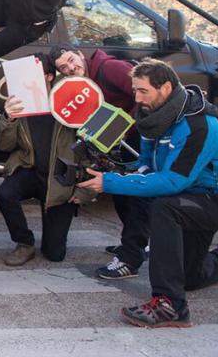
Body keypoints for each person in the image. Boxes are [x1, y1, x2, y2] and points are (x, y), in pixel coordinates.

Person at [78, 59, 218, 328]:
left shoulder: (200, 125)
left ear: (165, 88)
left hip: (208, 197)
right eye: (135, 90)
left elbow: (172, 181)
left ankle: (170, 306)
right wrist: (114, 169)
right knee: (190, 278)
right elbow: (146, 167)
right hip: (193, 197)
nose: (137, 97)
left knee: (164, 207)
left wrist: (109, 183)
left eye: (143, 91)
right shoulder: (153, 118)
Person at [49, 44, 150, 281]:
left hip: (138, 138)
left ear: (80, 55)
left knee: (136, 198)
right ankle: (136, 245)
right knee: (122, 197)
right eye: (64, 68)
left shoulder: (109, 68)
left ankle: (132, 254)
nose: (71, 68)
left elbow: (144, 92)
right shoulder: (82, 85)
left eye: (72, 60)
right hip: (117, 144)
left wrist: (127, 126)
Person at [0, 54, 94, 266]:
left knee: (54, 253)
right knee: (5, 194)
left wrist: (84, 190)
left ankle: (51, 217)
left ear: (49, 76)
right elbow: (4, 146)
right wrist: (9, 119)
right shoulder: (20, 103)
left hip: (60, 178)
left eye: (32, 75)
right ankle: (24, 242)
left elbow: (90, 150)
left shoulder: (69, 99)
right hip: (30, 169)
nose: (25, 81)